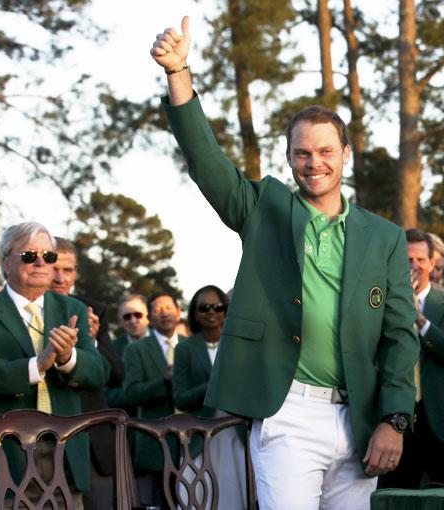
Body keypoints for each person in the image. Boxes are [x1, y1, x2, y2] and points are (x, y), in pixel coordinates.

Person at [151, 17, 419, 509]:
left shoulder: (384, 236)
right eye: (302, 153)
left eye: (324, 151)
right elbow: (207, 163)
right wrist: (178, 73)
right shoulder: (264, 208)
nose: (313, 162)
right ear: (290, 158)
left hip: (361, 419)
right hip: (288, 413)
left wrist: (394, 418)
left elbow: (401, 335)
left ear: (346, 155)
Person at [0, 222, 108, 508]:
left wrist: (67, 359)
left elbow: (100, 372)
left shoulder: (72, 310)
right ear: (5, 263)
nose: (40, 262)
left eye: (48, 256)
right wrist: (36, 365)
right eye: (28, 255)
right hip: (3, 456)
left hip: (64, 456)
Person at [382, 229, 444, 488]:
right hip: (398, 419)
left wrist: (419, 320)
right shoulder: (383, 304)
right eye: (407, 259)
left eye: (420, 260)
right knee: (398, 494)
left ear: (432, 264)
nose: (414, 265)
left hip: (443, 421)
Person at [50, 237, 125, 510]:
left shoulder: (93, 310)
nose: (60, 277)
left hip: (94, 442)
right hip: (45, 442)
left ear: (76, 274)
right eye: (55, 268)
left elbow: (117, 375)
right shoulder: (29, 311)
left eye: (68, 270)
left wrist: (91, 343)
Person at [172, 285, 246, 509]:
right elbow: (180, 399)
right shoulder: (185, 349)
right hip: (198, 438)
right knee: (199, 496)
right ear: (194, 314)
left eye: (218, 306)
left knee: (236, 494)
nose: (211, 312)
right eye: (204, 308)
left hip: (236, 432)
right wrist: (213, 385)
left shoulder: (239, 345)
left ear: (226, 310)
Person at [121, 293, 177, 507]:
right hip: (157, 446)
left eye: (168, 307)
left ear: (178, 312)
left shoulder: (192, 346)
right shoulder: (136, 350)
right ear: (150, 318)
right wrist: (164, 381)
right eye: (157, 310)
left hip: (197, 444)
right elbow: (131, 393)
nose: (164, 313)